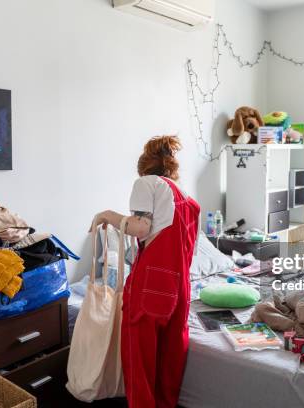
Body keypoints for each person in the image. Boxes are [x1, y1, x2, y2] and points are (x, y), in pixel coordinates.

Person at [90, 135, 200, 408]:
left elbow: (141, 227)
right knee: (170, 357)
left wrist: (106, 215)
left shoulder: (146, 183)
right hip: (180, 285)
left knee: (139, 359)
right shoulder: (185, 196)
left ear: (144, 168)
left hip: (152, 283)